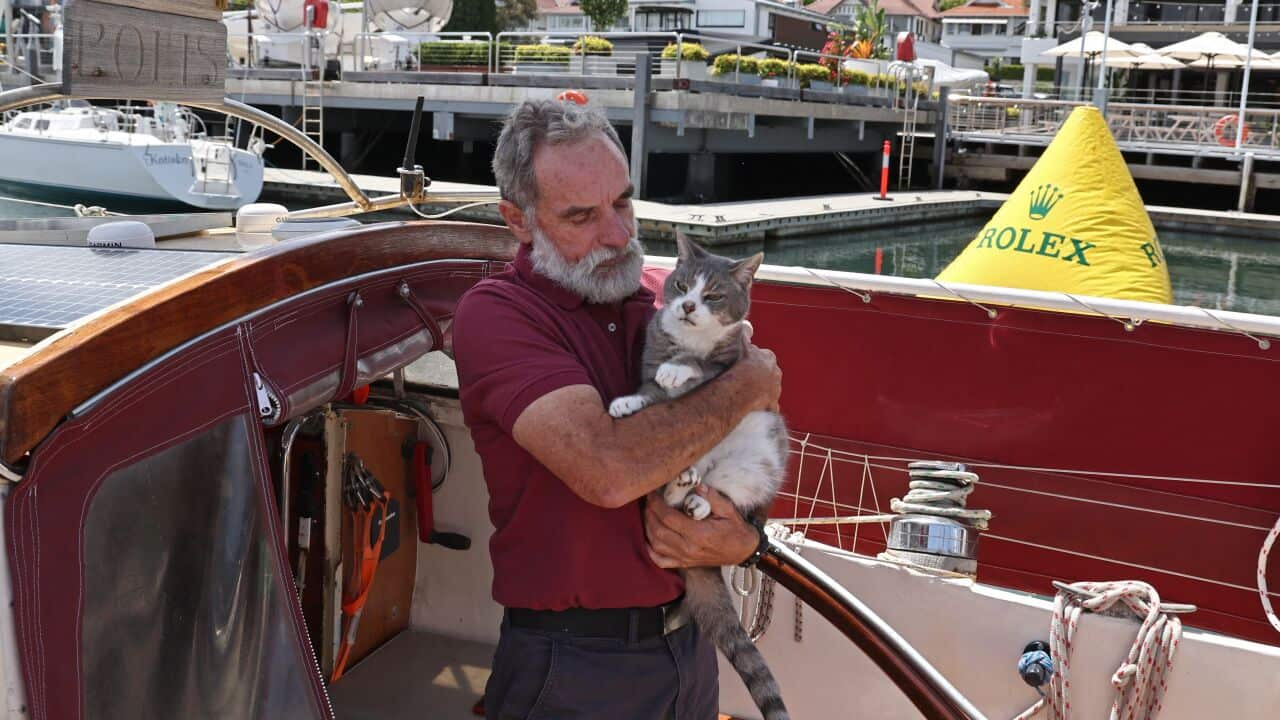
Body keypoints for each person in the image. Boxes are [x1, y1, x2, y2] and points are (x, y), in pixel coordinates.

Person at [451, 98, 782, 719]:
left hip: (691, 644)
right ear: (519, 221)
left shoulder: (665, 299)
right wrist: (746, 382)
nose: (620, 233)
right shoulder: (498, 316)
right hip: (573, 667)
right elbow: (608, 470)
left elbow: (749, 439)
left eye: (623, 202)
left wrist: (744, 539)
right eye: (582, 215)